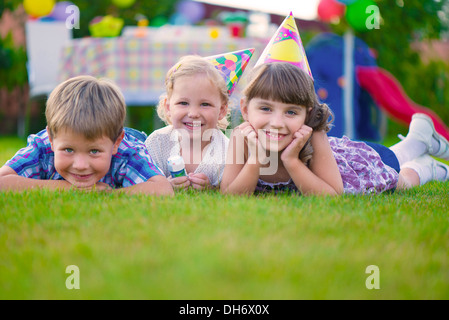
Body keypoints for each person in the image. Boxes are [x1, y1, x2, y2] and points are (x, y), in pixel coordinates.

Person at [220, 62, 449, 196]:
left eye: (291, 112)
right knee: (395, 155)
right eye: (266, 108)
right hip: (340, 159)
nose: (277, 122)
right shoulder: (242, 136)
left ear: (307, 114)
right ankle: (418, 140)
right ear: (246, 109)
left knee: (399, 180)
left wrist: (292, 161)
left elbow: (333, 195)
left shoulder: (314, 134)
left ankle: (427, 166)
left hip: (349, 167)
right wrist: (256, 159)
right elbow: (229, 194)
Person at [0, 75, 173, 195]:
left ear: (115, 143)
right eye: (68, 150)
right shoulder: (43, 147)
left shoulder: (126, 152)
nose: (81, 165)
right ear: (52, 140)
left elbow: (163, 189)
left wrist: (109, 194)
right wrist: (67, 188)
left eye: (94, 151)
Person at [145, 54, 236, 190]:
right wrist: (165, 186)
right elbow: (143, 181)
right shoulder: (157, 142)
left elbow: (229, 190)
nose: (193, 113)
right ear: (168, 107)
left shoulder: (227, 151)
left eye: (205, 104)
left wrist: (211, 188)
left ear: (222, 110)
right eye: (183, 103)